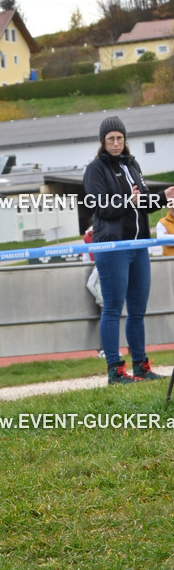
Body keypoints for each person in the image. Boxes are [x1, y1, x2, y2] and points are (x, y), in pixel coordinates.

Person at [82, 115, 174, 384]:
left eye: (120, 138)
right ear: (103, 141)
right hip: (113, 247)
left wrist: (163, 197)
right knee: (112, 308)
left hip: (139, 246)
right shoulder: (95, 169)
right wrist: (127, 201)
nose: (116, 143)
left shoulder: (132, 164)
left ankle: (141, 366)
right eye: (110, 139)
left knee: (137, 309)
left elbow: (142, 204)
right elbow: (99, 207)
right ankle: (115, 370)